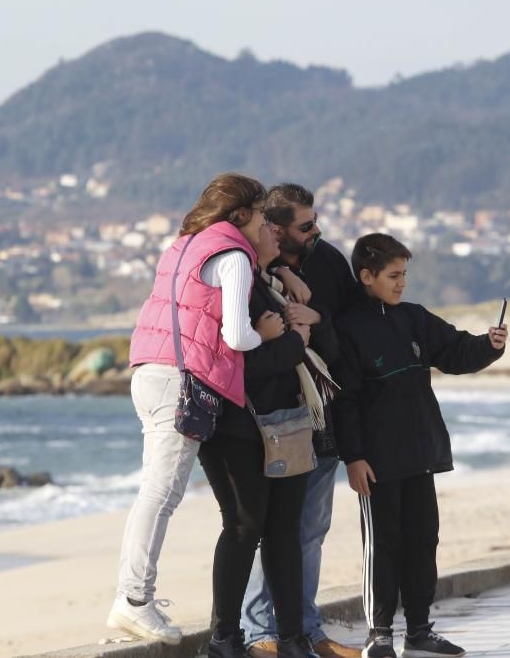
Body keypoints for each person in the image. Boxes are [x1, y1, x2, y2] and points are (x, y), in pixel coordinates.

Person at [109, 173, 286, 645]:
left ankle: (132, 599)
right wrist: (266, 334)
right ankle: (132, 601)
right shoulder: (233, 256)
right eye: (264, 213)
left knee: (157, 491)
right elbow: (236, 336)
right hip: (180, 381)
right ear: (241, 214)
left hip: (149, 372)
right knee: (160, 493)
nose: (270, 222)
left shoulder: (185, 246)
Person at [332, 233, 508, 658]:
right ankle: (378, 634)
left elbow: (454, 351)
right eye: (393, 275)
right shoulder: (348, 329)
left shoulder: (413, 317)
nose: (401, 283)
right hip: (376, 462)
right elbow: (345, 400)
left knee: (423, 542)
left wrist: (489, 345)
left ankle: (419, 632)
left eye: (404, 274)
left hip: (420, 454)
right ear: (366, 276)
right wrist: (353, 457)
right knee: (383, 547)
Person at [198, 219, 339, 658]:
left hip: (288, 422)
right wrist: (294, 339)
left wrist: (290, 325)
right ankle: (227, 637)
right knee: (244, 528)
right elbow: (246, 364)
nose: (272, 234)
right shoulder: (237, 283)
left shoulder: (268, 280)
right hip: (240, 426)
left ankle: (293, 638)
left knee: (282, 533)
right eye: (264, 226)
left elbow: (297, 331)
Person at [240, 184, 361, 658]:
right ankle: (258, 631)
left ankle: (306, 629)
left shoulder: (327, 261)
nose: (317, 232)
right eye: (306, 225)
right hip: (272, 417)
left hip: (323, 412)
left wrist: (318, 319)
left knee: (311, 529)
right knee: (269, 528)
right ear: (274, 227)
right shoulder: (248, 268)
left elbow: (350, 332)